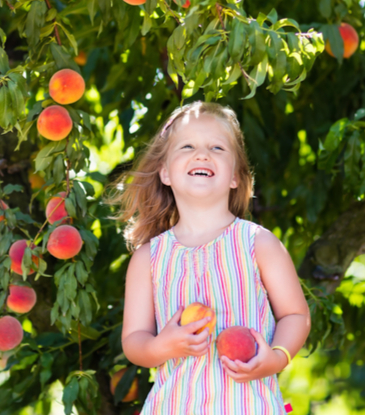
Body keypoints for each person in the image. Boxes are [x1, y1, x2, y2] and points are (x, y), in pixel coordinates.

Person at [113, 101, 311, 414]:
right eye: (187, 146)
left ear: (235, 176)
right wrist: (160, 346)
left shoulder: (258, 243)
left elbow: (296, 316)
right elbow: (134, 341)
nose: (202, 154)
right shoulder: (148, 258)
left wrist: (276, 357)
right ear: (165, 172)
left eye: (217, 147)